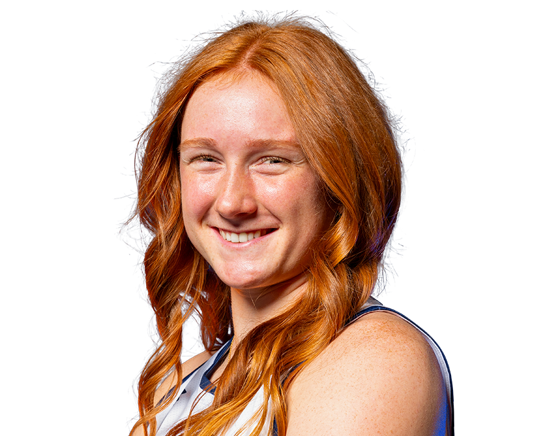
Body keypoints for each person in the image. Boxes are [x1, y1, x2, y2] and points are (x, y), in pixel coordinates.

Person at [119, 11, 453, 436]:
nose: (231, 202)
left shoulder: (373, 358)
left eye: (272, 160)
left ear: (339, 179)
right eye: (206, 159)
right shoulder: (179, 386)